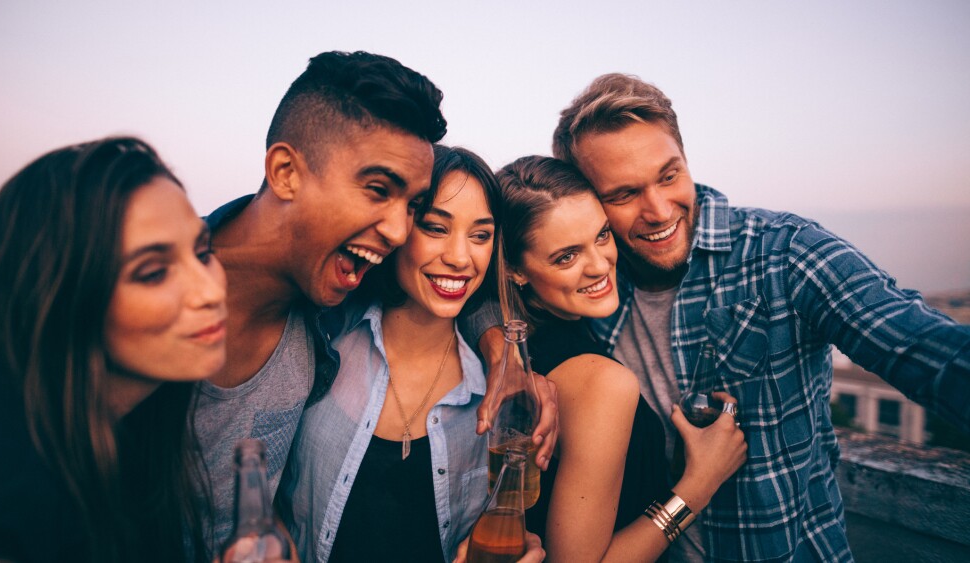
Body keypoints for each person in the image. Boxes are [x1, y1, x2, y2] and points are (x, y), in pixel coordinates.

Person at [551, 73, 970, 562]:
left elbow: (924, 351)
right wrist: (504, 347)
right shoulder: (590, 286)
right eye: (624, 194)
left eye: (669, 176)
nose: (660, 209)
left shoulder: (784, 252)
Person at [194, 51, 556, 557]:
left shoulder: (317, 314)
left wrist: (504, 349)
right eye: (378, 191)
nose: (395, 229)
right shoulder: (133, 309)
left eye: (410, 207)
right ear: (284, 170)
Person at [0, 137, 227, 563]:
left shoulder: (129, 428)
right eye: (153, 273)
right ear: (58, 295)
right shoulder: (2, 481)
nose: (209, 290)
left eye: (203, 253)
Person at [281, 145, 543, 562]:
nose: (460, 258)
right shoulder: (321, 344)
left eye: (480, 235)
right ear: (398, 229)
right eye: (436, 228)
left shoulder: (497, 397)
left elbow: (511, 522)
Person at [495, 155, 745, 562]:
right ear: (514, 270)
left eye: (602, 235)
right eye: (566, 257)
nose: (600, 265)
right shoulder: (602, 383)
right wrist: (699, 484)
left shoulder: (514, 347)